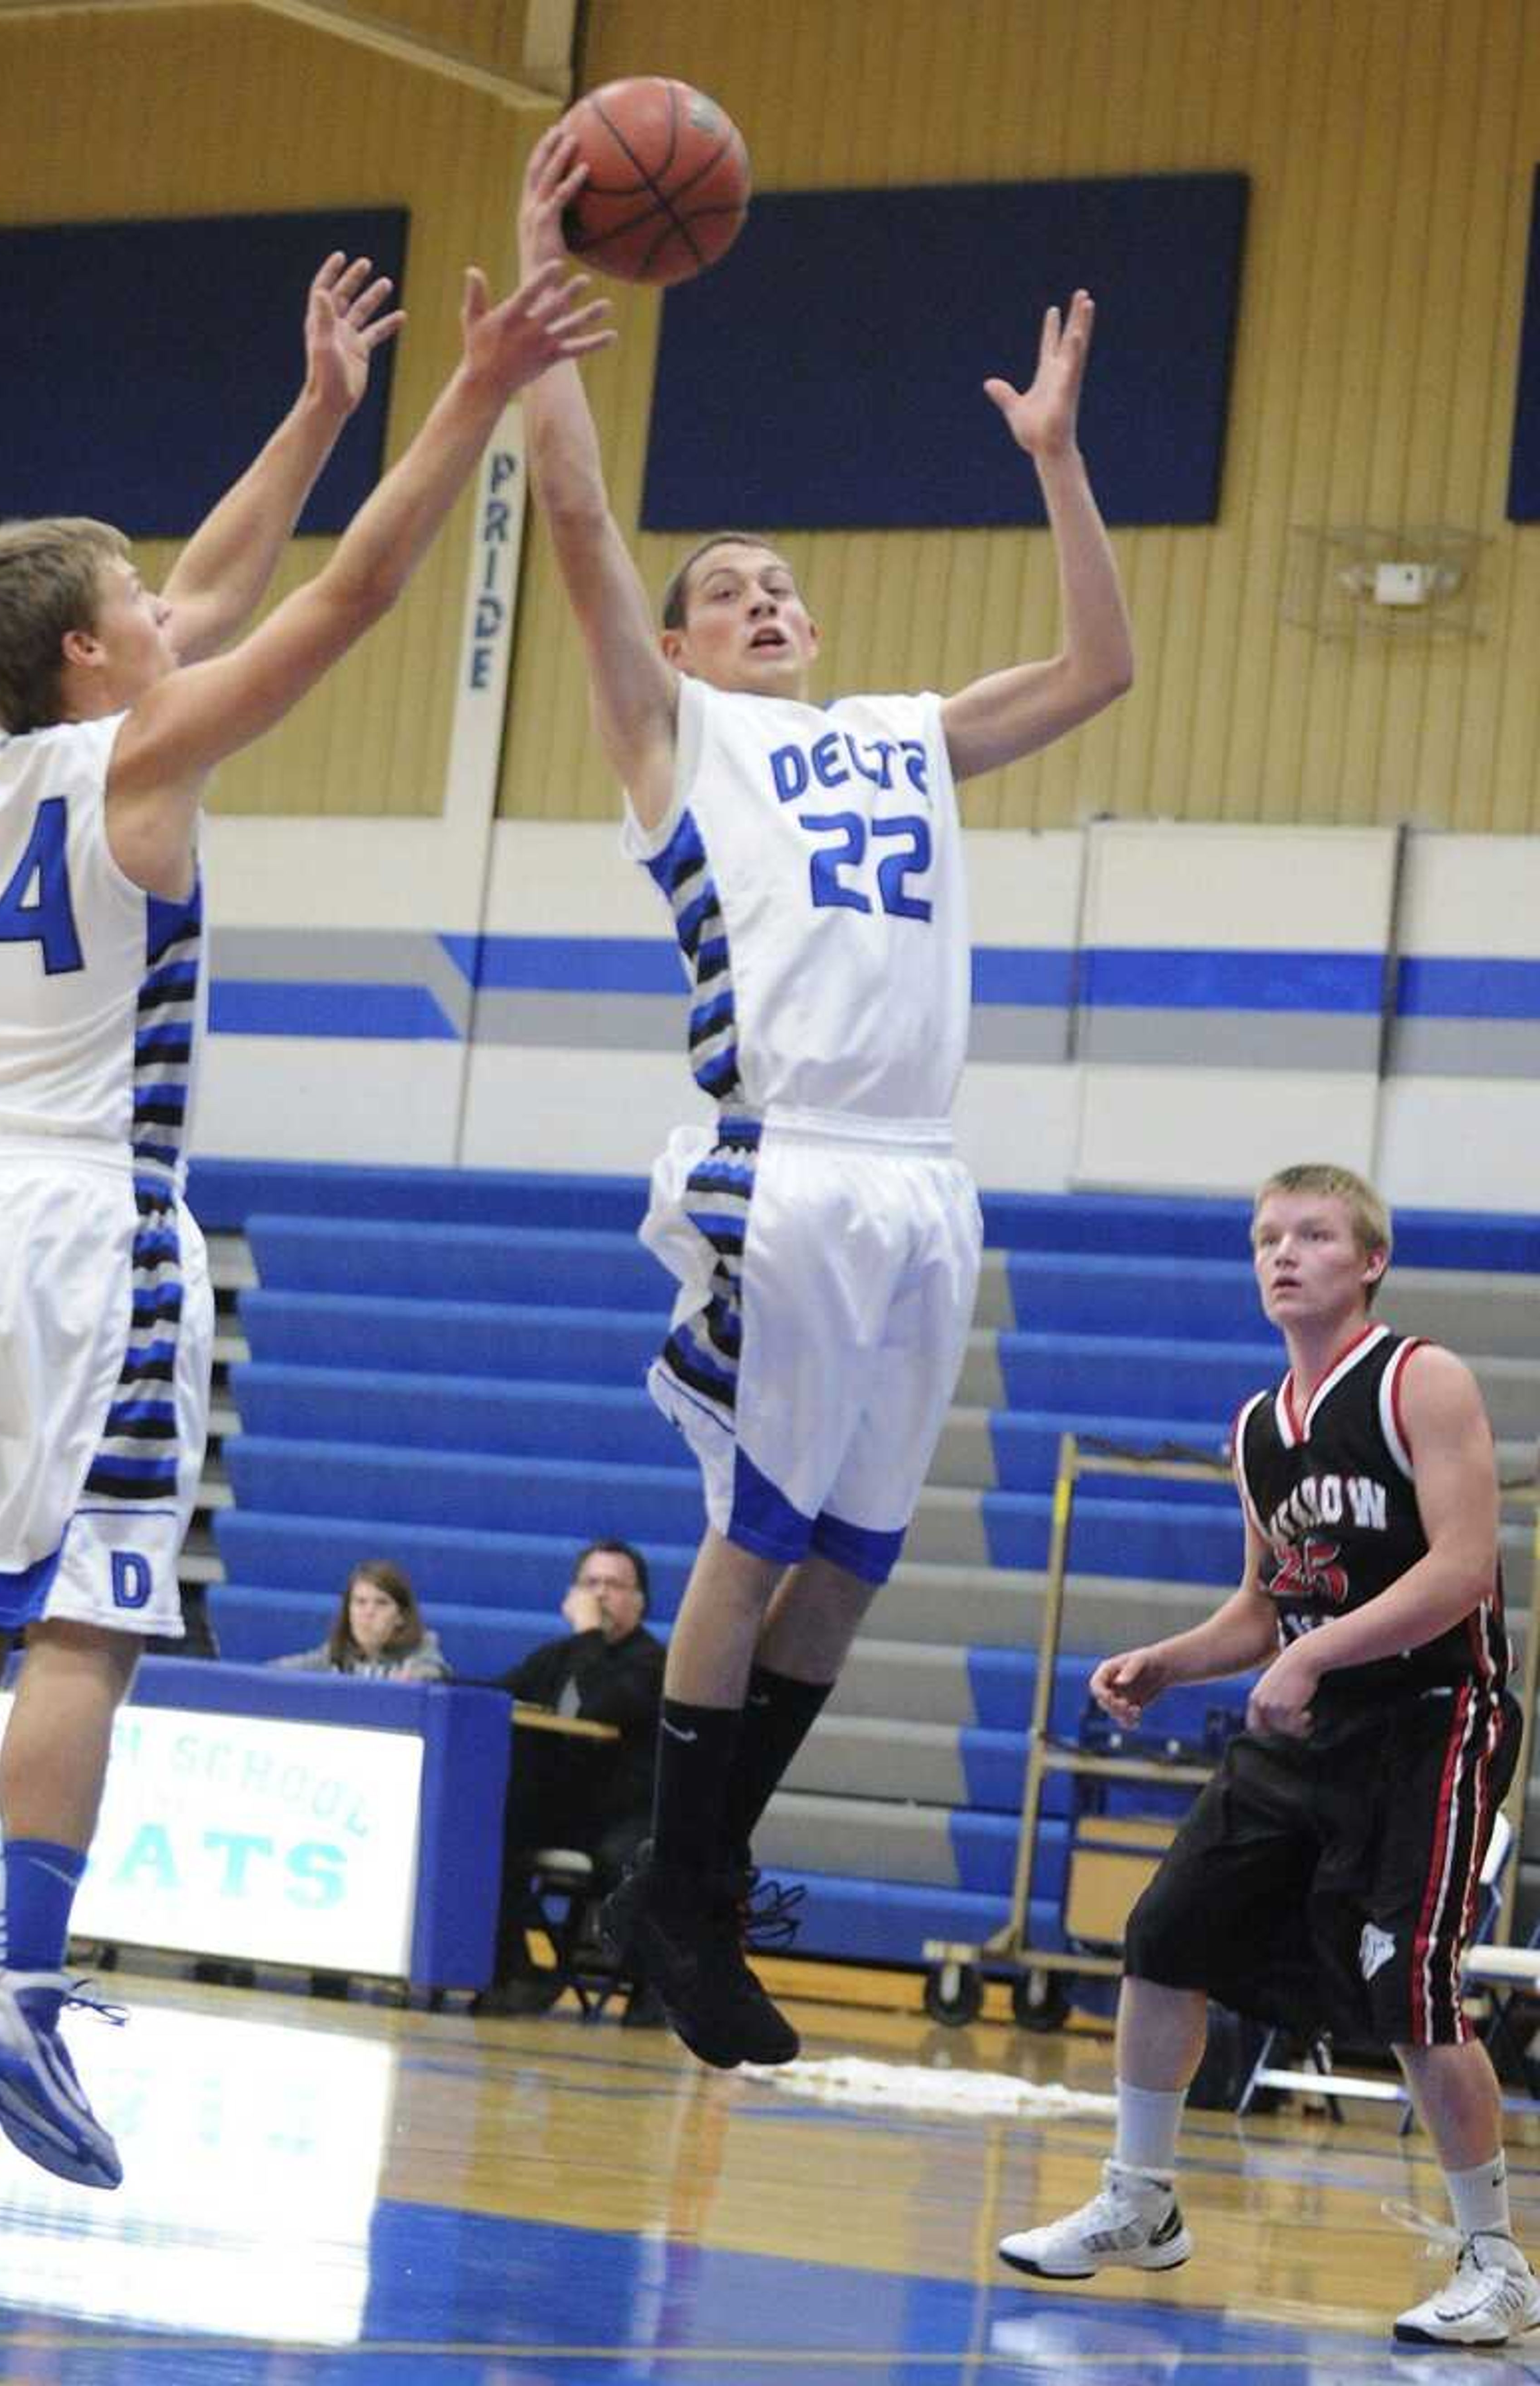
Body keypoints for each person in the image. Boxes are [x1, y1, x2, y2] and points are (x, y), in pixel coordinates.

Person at [0, 236, 610, 2225]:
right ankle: (27, 1991)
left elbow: (210, 583)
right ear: (98, 660)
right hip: (92, 1232)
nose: (167, 617)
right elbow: (342, 593)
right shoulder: (145, 760)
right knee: (88, 1619)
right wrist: (472, 391)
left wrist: (316, 409)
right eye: (134, 610)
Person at [513, 130, 1133, 2070]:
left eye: (784, 584)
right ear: (685, 647)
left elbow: (1102, 665)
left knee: (851, 1569)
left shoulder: (898, 734)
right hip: (772, 1165)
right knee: (755, 1534)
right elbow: (587, 537)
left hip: (920, 1180)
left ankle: (687, 1881)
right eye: (733, 588)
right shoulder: (670, 738)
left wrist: (1052, 459)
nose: (766, 599)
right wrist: (542, 325)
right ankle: (679, 1901)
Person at [999, 1162, 1537, 2352]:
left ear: (1369, 1260)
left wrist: (1309, 1657)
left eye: (1312, 1234)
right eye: (1265, 1238)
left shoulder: (1420, 1379)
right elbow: (1264, 1605)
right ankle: (1142, 2199)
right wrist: (1174, 1660)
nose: (1282, 1254)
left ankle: (1497, 2261)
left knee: (1414, 1984)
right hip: (1308, 1726)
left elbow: (1461, 1569)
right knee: (1165, 1934)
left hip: (1433, 1717)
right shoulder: (1258, 1427)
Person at [474, 1539, 665, 2019]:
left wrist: (587, 1634)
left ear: (640, 1601)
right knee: (486, 1828)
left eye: (615, 1585)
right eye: (591, 1583)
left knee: (631, 1858)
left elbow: (602, 1705)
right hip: (564, 1808)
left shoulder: (653, 1663)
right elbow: (497, 1694)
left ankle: (652, 1990)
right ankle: (517, 1970)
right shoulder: (560, 1655)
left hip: (622, 1813)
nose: (601, 1595)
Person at [274, 1558, 450, 1681]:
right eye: (360, 1602)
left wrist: (419, 1680)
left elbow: (434, 1671)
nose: (369, 1613)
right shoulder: (336, 1654)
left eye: (381, 1603)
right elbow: (279, 1672)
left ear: (401, 1617)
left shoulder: (421, 1651)